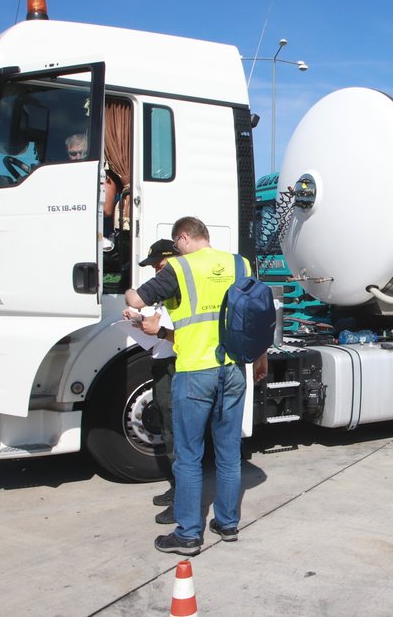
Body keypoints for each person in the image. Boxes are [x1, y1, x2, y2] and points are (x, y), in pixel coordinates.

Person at [124, 217, 268, 556]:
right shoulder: (239, 263)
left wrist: (130, 293)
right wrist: (260, 357)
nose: (177, 250)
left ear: (185, 237)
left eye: (178, 244)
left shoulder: (179, 269)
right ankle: (227, 523)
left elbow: (138, 301)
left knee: (189, 456)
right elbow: (256, 313)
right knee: (229, 453)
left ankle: (188, 534)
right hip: (233, 369)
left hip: (194, 371)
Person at [122, 239, 180, 524]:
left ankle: (182, 497)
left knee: (175, 433)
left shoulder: (178, 283)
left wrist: (155, 328)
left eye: (158, 264)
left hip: (174, 363)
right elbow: (160, 317)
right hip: (162, 361)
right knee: (168, 430)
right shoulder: (166, 286)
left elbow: (178, 328)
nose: (157, 271)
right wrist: (138, 318)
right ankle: (176, 487)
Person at [66, 133, 119, 239]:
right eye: (73, 153)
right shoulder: (65, 175)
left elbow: (106, 210)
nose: (78, 157)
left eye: (82, 152)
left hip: (103, 233)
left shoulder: (103, 172)